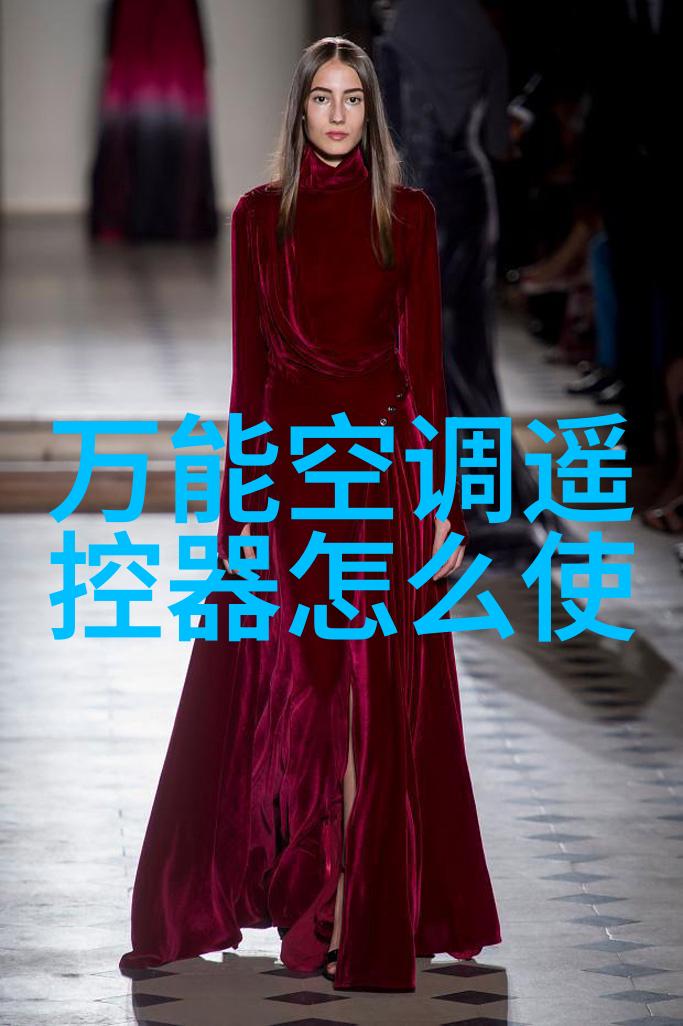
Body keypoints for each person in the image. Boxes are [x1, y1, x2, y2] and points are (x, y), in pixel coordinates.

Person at [119, 36, 501, 993]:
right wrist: (239, 508)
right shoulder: (260, 216)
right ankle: (309, 897)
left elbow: (425, 375)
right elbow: (248, 379)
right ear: (299, 112)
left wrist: (438, 502)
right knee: (299, 692)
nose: (336, 116)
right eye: (321, 99)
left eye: (352, 99)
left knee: (367, 695)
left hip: (375, 481)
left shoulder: (407, 216)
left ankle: (348, 909)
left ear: (372, 111)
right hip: (290, 482)